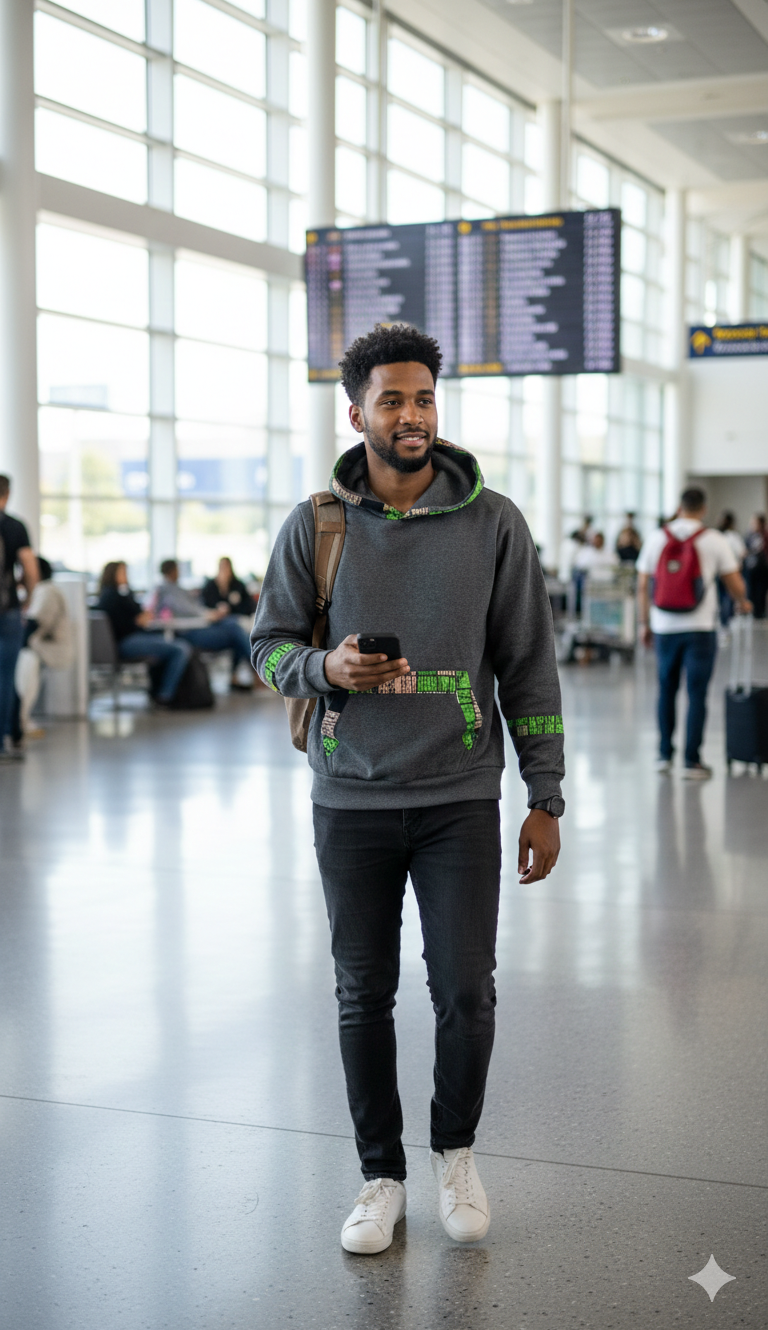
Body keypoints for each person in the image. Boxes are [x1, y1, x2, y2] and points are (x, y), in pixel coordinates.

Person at [251, 324, 565, 1255]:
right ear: (357, 413)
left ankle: (455, 1153)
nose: (412, 414)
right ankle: (379, 1175)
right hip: (350, 798)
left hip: (461, 795)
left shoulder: (494, 523)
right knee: (362, 994)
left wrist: (545, 795)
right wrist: (327, 669)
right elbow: (267, 648)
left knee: (467, 991)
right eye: (392, 400)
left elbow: (529, 667)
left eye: (424, 397)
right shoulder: (317, 526)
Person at [636, 488, 752, 779]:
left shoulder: (656, 537)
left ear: (679, 507)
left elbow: (642, 586)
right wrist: (743, 601)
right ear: (703, 508)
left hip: (664, 627)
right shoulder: (714, 539)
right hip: (700, 627)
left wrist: (644, 623)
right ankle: (692, 761)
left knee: (666, 689)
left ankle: (663, 755)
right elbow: (734, 582)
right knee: (697, 693)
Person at [97, 561, 192, 706]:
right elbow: (128, 622)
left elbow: (138, 615)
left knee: (169, 645)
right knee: (180, 649)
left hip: (127, 640)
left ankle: (158, 691)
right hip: (126, 642)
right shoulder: (113, 596)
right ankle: (165, 696)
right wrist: (138, 621)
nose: (126, 576)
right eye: (122, 572)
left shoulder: (115, 594)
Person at [150, 560, 255, 689]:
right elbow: (187, 610)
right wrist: (208, 614)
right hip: (190, 631)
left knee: (235, 627)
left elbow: (247, 606)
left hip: (202, 625)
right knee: (236, 631)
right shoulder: (167, 590)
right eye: (177, 569)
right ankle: (257, 668)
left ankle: (247, 671)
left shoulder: (177, 589)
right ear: (171, 571)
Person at [12, 556, 74, 742]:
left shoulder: (46, 591)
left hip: (42, 648)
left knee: (25, 680)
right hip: (36, 647)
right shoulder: (42, 591)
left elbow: (36, 622)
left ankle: (21, 721)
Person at [0, 475, 39, 763]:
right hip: (8, 610)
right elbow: (30, 568)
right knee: (5, 676)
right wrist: (26, 597)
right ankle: (6, 739)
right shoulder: (14, 526)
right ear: (7, 494)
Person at [716, 512, 746, 629]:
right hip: (731, 571)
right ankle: (726, 623)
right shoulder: (733, 537)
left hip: (719, 572)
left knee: (722, 597)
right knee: (728, 597)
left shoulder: (717, 536)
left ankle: (723, 623)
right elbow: (743, 553)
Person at [744, 513, 768, 619]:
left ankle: (760, 611)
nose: (752, 525)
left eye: (755, 522)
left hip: (763, 568)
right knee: (751, 590)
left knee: (761, 591)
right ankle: (752, 611)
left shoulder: (765, 536)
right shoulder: (749, 536)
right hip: (750, 569)